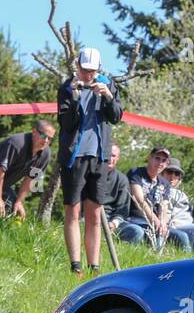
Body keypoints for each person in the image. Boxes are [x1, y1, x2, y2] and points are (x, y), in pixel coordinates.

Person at [56, 46, 122, 274]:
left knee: (94, 211)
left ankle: (94, 266)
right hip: (74, 156)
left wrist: (109, 96)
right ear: (78, 67)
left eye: (93, 71)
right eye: (85, 71)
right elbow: (66, 125)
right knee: (72, 210)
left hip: (100, 156)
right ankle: (75, 265)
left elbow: (116, 117)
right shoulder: (66, 88)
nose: (89, 76)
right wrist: (75, 99)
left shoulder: (107, 84)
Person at [0, 120, 55, 217]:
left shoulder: (45, 154)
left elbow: (31, 179)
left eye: (50, 139)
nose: (46, 141)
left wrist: (19, 201)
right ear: (34, 132)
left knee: (13, 211)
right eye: (44, 136)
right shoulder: (17, 144)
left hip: (1, 180)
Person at [162, 158, 194, 254]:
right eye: (169, 172)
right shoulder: (162, 191)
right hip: (174, 226)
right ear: (162, 174)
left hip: (189, 227)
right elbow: (163, 212)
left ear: (180, 179)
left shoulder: (182, 195)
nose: (172, 176)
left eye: (177, 174)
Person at [97, 144, 145, 245]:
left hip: (113, 221)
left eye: (113, 156)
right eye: (108, 154)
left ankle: (117, 246)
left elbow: (123, 209)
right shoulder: (91, 174)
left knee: (137, 231)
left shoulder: (122, 179)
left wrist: (114, 223)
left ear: (118, 158)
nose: (110, 158)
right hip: (91, 218)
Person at [125, 146, 173, 248]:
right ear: (149, 158)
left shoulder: (165, 183)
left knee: (181, 237)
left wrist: (162, 224)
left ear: (167, 164)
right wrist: (155, 221)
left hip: (154, 224)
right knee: (139, 233)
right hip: (133, 218)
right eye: (157, 158)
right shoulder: (136, 173)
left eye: (164, 160)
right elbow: (139, 200)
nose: (160, 163)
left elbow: (164, 206)